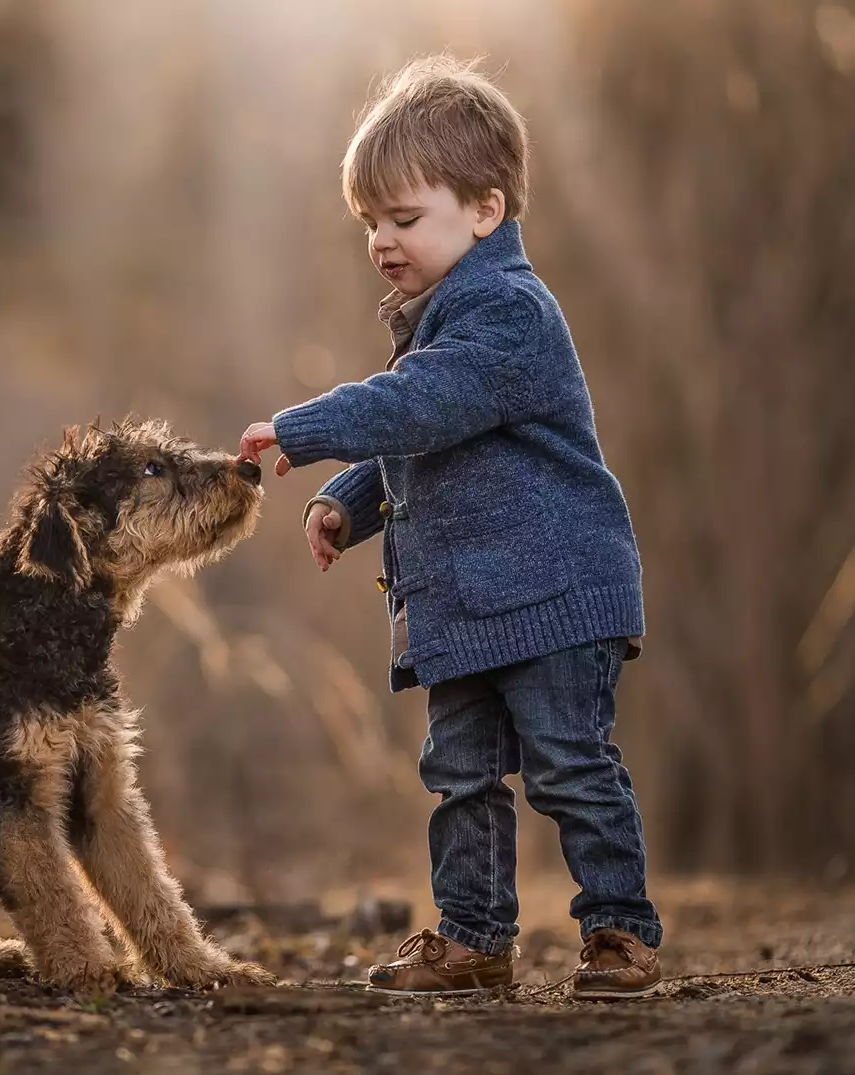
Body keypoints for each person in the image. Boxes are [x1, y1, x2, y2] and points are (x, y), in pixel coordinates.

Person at [237, 56, 661, 1000]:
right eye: (370, 224)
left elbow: (424, 404)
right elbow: (427, 437)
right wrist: (350, 500)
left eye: (404, 217)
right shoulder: (440, 321)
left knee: (568, 766)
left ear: (485, 208)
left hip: (554, 593)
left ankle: (619, 932)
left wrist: (305, 431)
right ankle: (474, 939)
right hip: (469, 606)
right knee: (459, 777)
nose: (383, 241)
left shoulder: (508, 311)